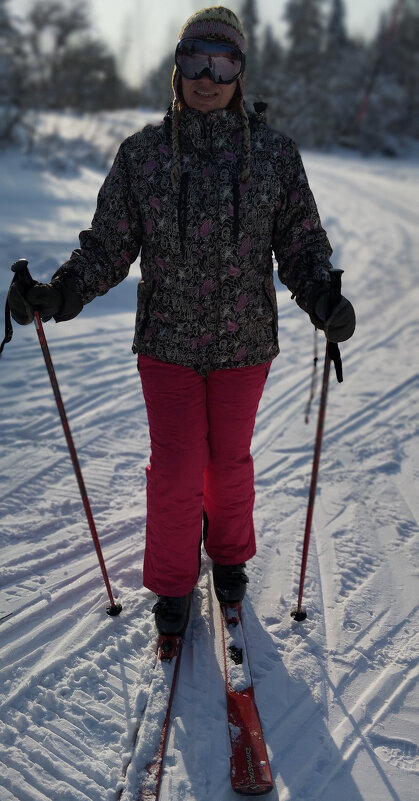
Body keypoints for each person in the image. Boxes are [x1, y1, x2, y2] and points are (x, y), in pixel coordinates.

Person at [8, 6, 355, 637]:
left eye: (223, 63)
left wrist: (322, 298)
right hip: (166, 343)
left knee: (229, 461)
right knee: (175, 467)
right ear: (177, 66)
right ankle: (172, 582)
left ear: (240, 71)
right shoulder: (142, 156)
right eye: (195, 59)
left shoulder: (274, 156)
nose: (207, 77)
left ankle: (228, 557)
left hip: (245, 342)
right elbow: (108, 246)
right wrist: (60, 293)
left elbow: (301, 245)